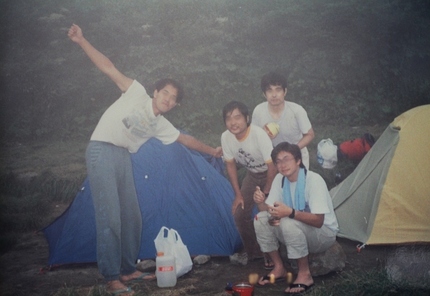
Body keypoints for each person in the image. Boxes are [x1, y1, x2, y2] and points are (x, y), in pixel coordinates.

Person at [68, 24, 222, 296]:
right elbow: (108, 67)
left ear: (174, 105)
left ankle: (128, 269)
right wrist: (82, 41)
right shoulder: (136, 92)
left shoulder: (161, 125)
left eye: (173, 99)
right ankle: (112, 277)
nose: (168, 99)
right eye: (165, 93)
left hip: (122, 156)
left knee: (132, 217)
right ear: (156, 91)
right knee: (111, 219)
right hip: (101, 149)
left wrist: (212, 151)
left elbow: (185, 140)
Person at [253, 142, 338, 294]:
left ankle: (305, 275)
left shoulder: (314, 180)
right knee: (260, 219)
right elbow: (269, 211)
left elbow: (319, 221)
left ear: (298, 160)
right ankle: (279, 267)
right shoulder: (280, 179)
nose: (282, 164)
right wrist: (260, 202)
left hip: (324, 234)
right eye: (278, 161)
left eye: (286, 159)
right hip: (297, 229)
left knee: (288, 223)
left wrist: (291, 212)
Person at [220, 101, 277, 266]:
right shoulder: (226, 137)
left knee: (267, 212)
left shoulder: (259, 134)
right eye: (229, 118)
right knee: (239, 213)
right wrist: (238, 194)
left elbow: (272, 166)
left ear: (247, 118)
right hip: (252, 176)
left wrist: (265, 193)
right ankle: (256, 252)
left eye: (237, 117)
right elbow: (230, 165)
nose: (233, 122)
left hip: (272, 174)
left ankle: (276, 253)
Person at [252, 72, 314, 168]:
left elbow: (310, 134)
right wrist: (263, 135)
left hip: (297, 156)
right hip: (271, 158)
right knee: (274, 182)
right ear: (264, 94)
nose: (274, 95)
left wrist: (293, 150)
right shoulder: (258, 111)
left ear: (285, 92)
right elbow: (253, 136)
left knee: (297, 182)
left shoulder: (297, 110)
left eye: (278, 90)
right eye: (269, 91)